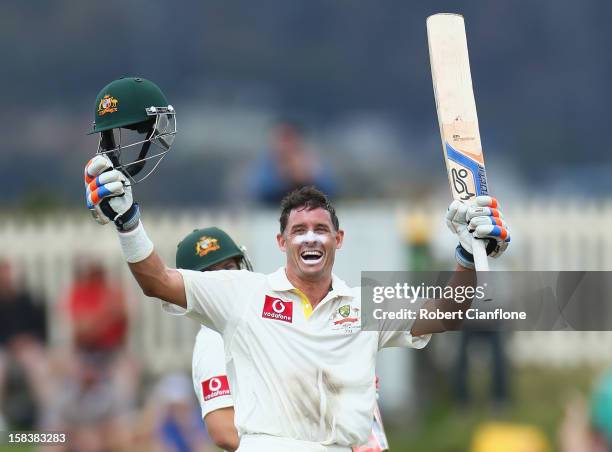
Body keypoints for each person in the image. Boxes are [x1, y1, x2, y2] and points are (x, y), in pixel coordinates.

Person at [82, 76, 511, 451]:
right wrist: (128, 224)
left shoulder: (365, 305)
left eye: (321, 229)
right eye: (299, 230)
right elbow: (157, 280)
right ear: (281, 241)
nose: (310, 237)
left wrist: (465, 254)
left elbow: (448, 313)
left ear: (338, 240)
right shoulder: (243, 294)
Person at [176, 227, 389, 451]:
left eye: (229, 268)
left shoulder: (268, 317)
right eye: (209, 276)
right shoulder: (213, 341)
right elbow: (223, 430)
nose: (225, 280)